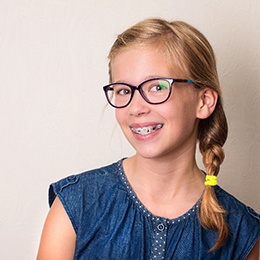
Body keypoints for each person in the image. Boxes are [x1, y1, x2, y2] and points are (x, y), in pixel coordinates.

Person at [37, 18, 260, 259]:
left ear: (204, 101)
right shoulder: (75, 205)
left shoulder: (243, 233)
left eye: (157, 87)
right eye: (124, 90)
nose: (136, 107)